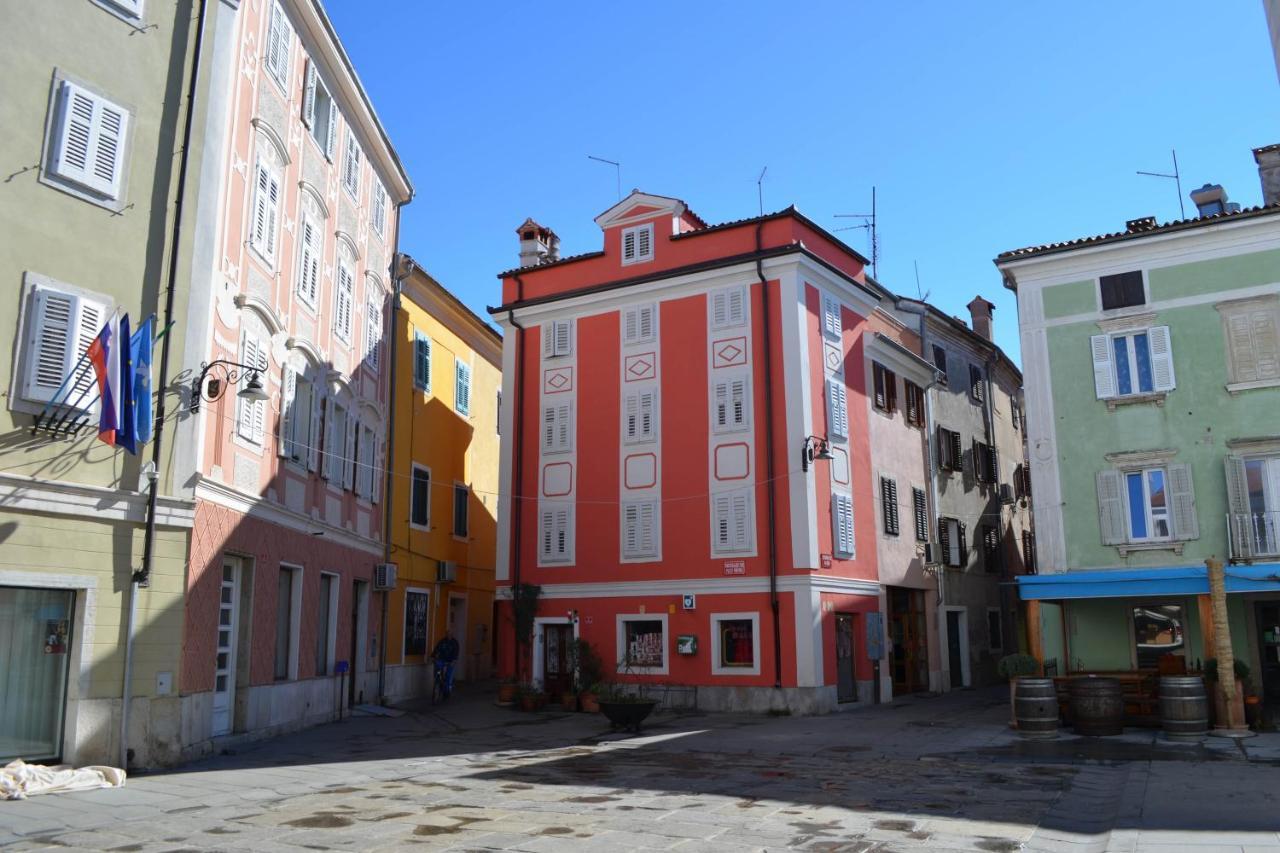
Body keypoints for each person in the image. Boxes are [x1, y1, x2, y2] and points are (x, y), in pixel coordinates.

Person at [431, 630, 460, 698]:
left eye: (450, 634)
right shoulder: (442, 641)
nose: (448, 635)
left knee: (448, 675)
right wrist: (432, 656)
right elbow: (437, 648)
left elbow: (456, 652)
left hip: (450, 661)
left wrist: (454, 660)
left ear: (452, 635)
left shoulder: (455, 643)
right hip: (442, 659)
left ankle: (447, 690)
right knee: (437, 666)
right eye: (447, 634)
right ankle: (438, 680)